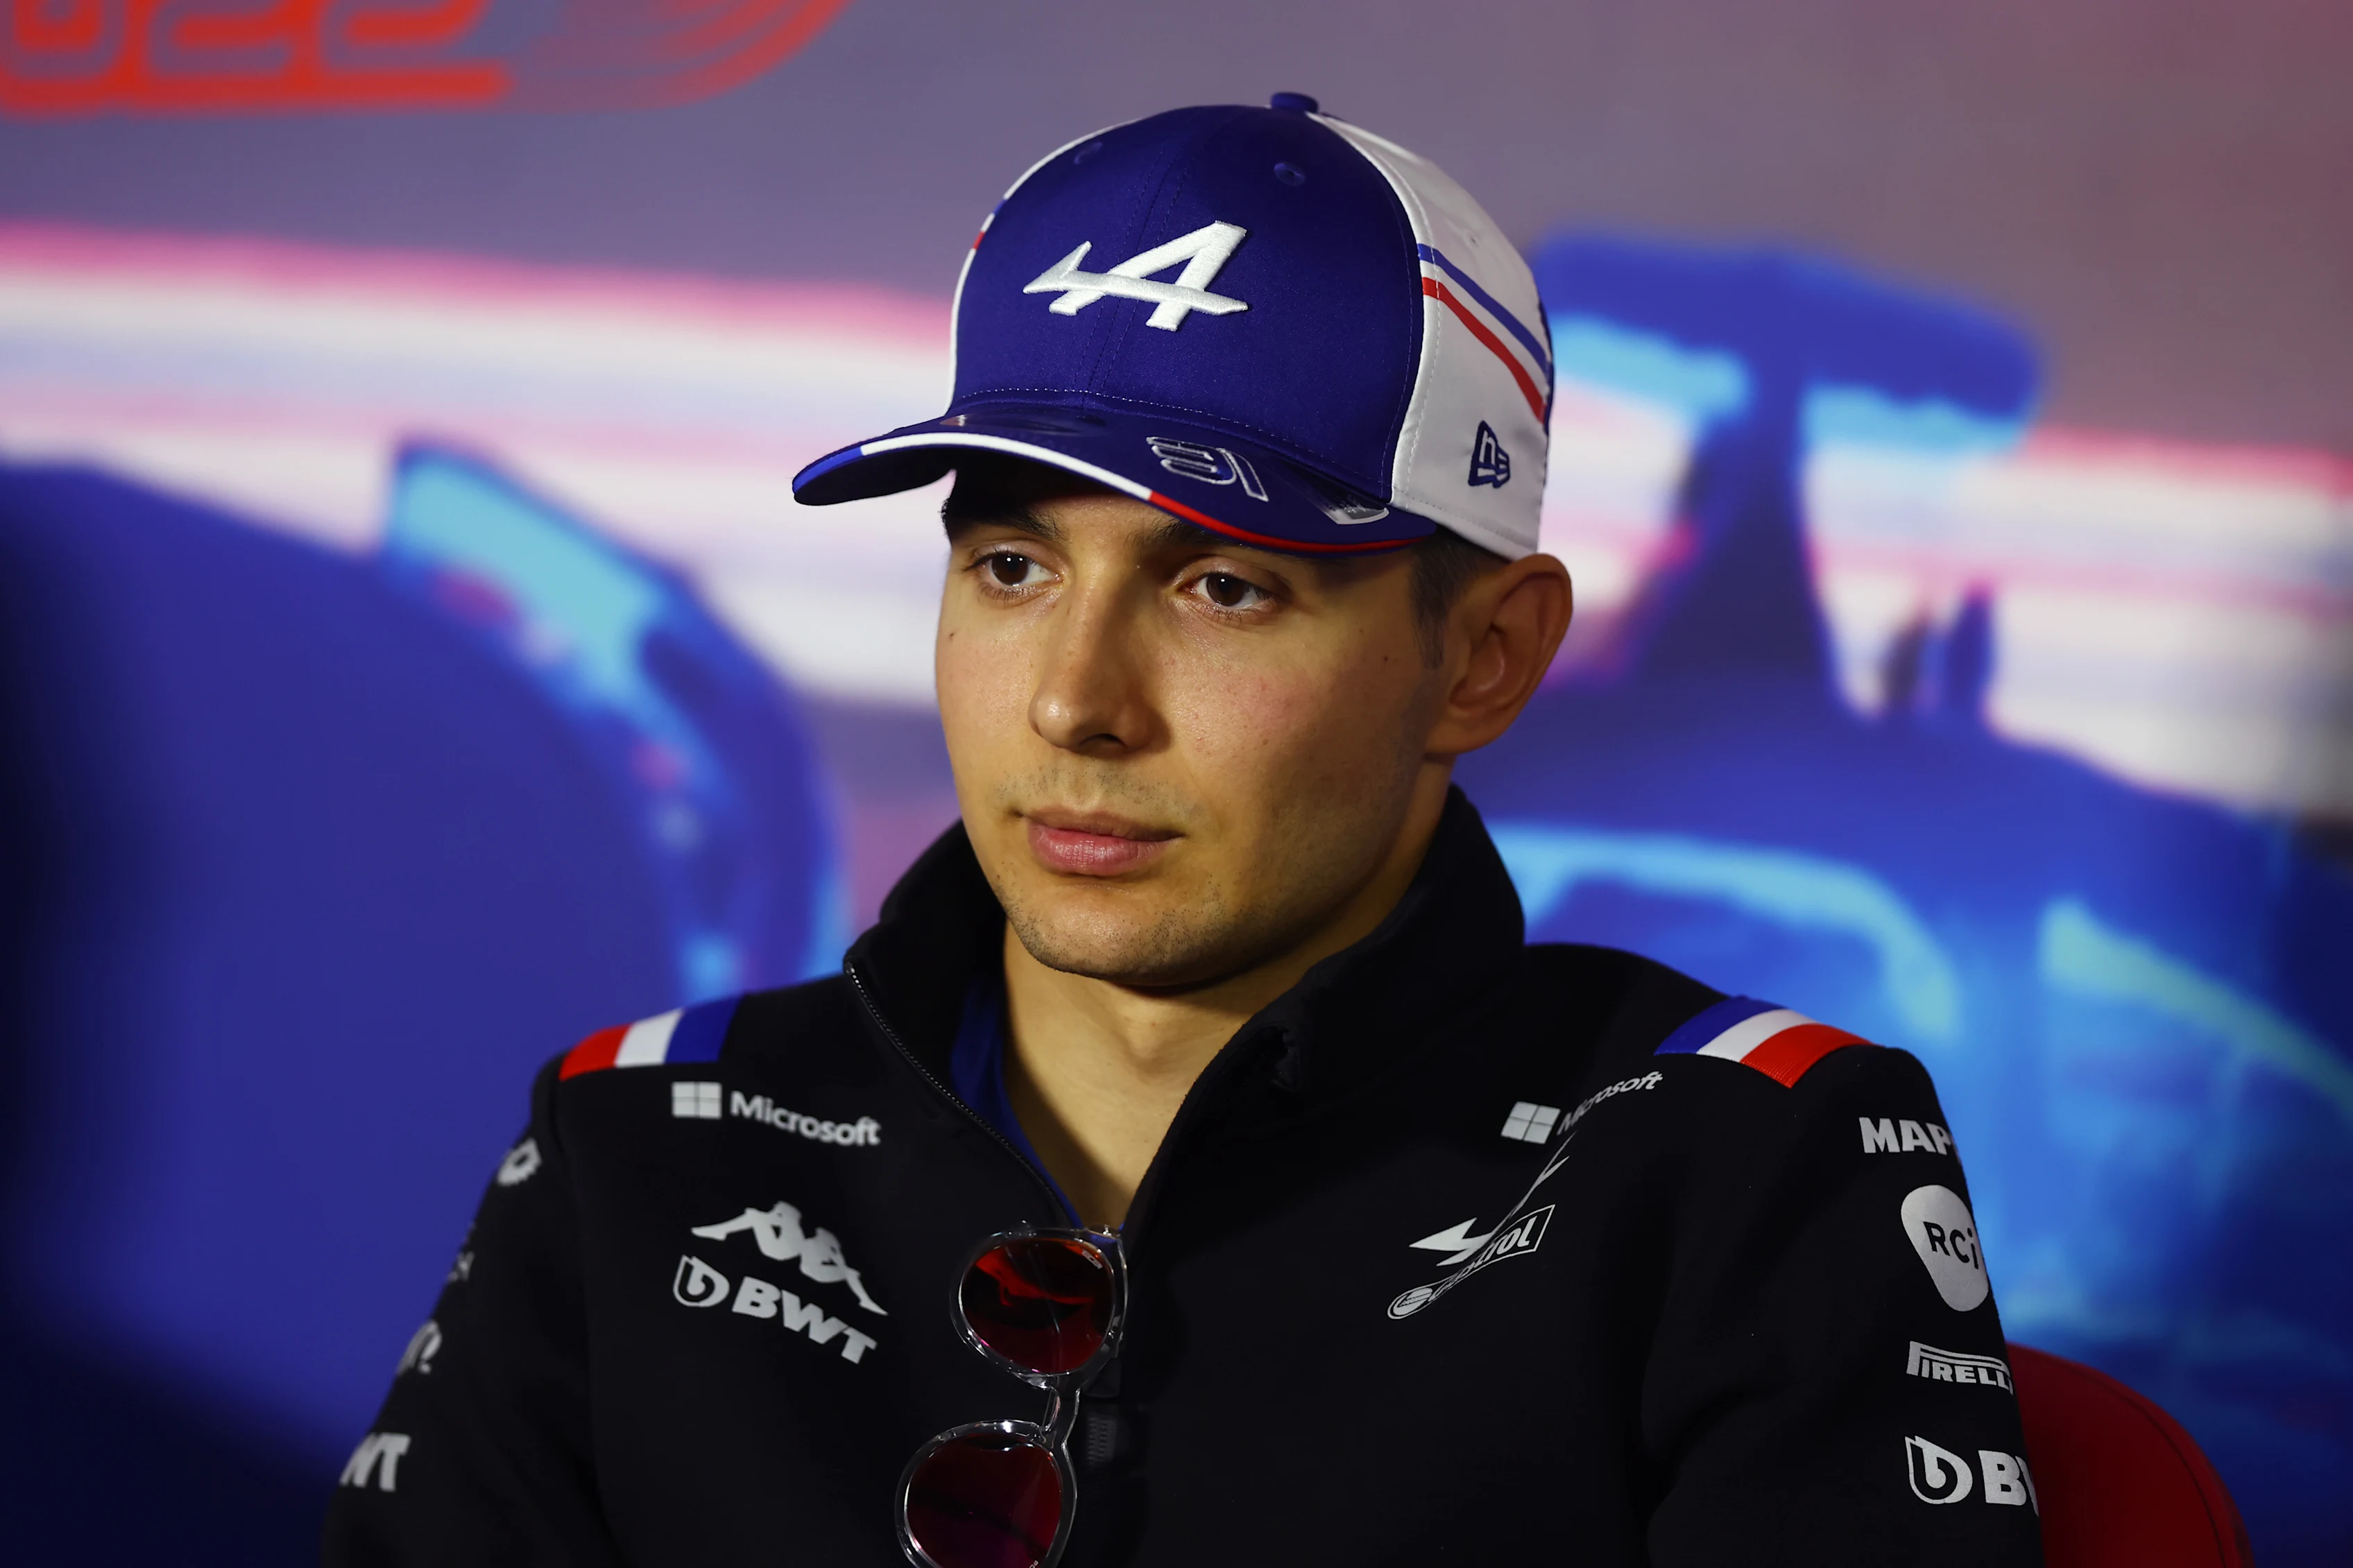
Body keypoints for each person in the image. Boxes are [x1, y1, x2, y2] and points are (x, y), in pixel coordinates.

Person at [324, 96, 2042, 1567]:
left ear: (1484, 654)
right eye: (1011, 566)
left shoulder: (1740, 1153)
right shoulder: (640, 1136)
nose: (1075, 700)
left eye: (1221, 584)